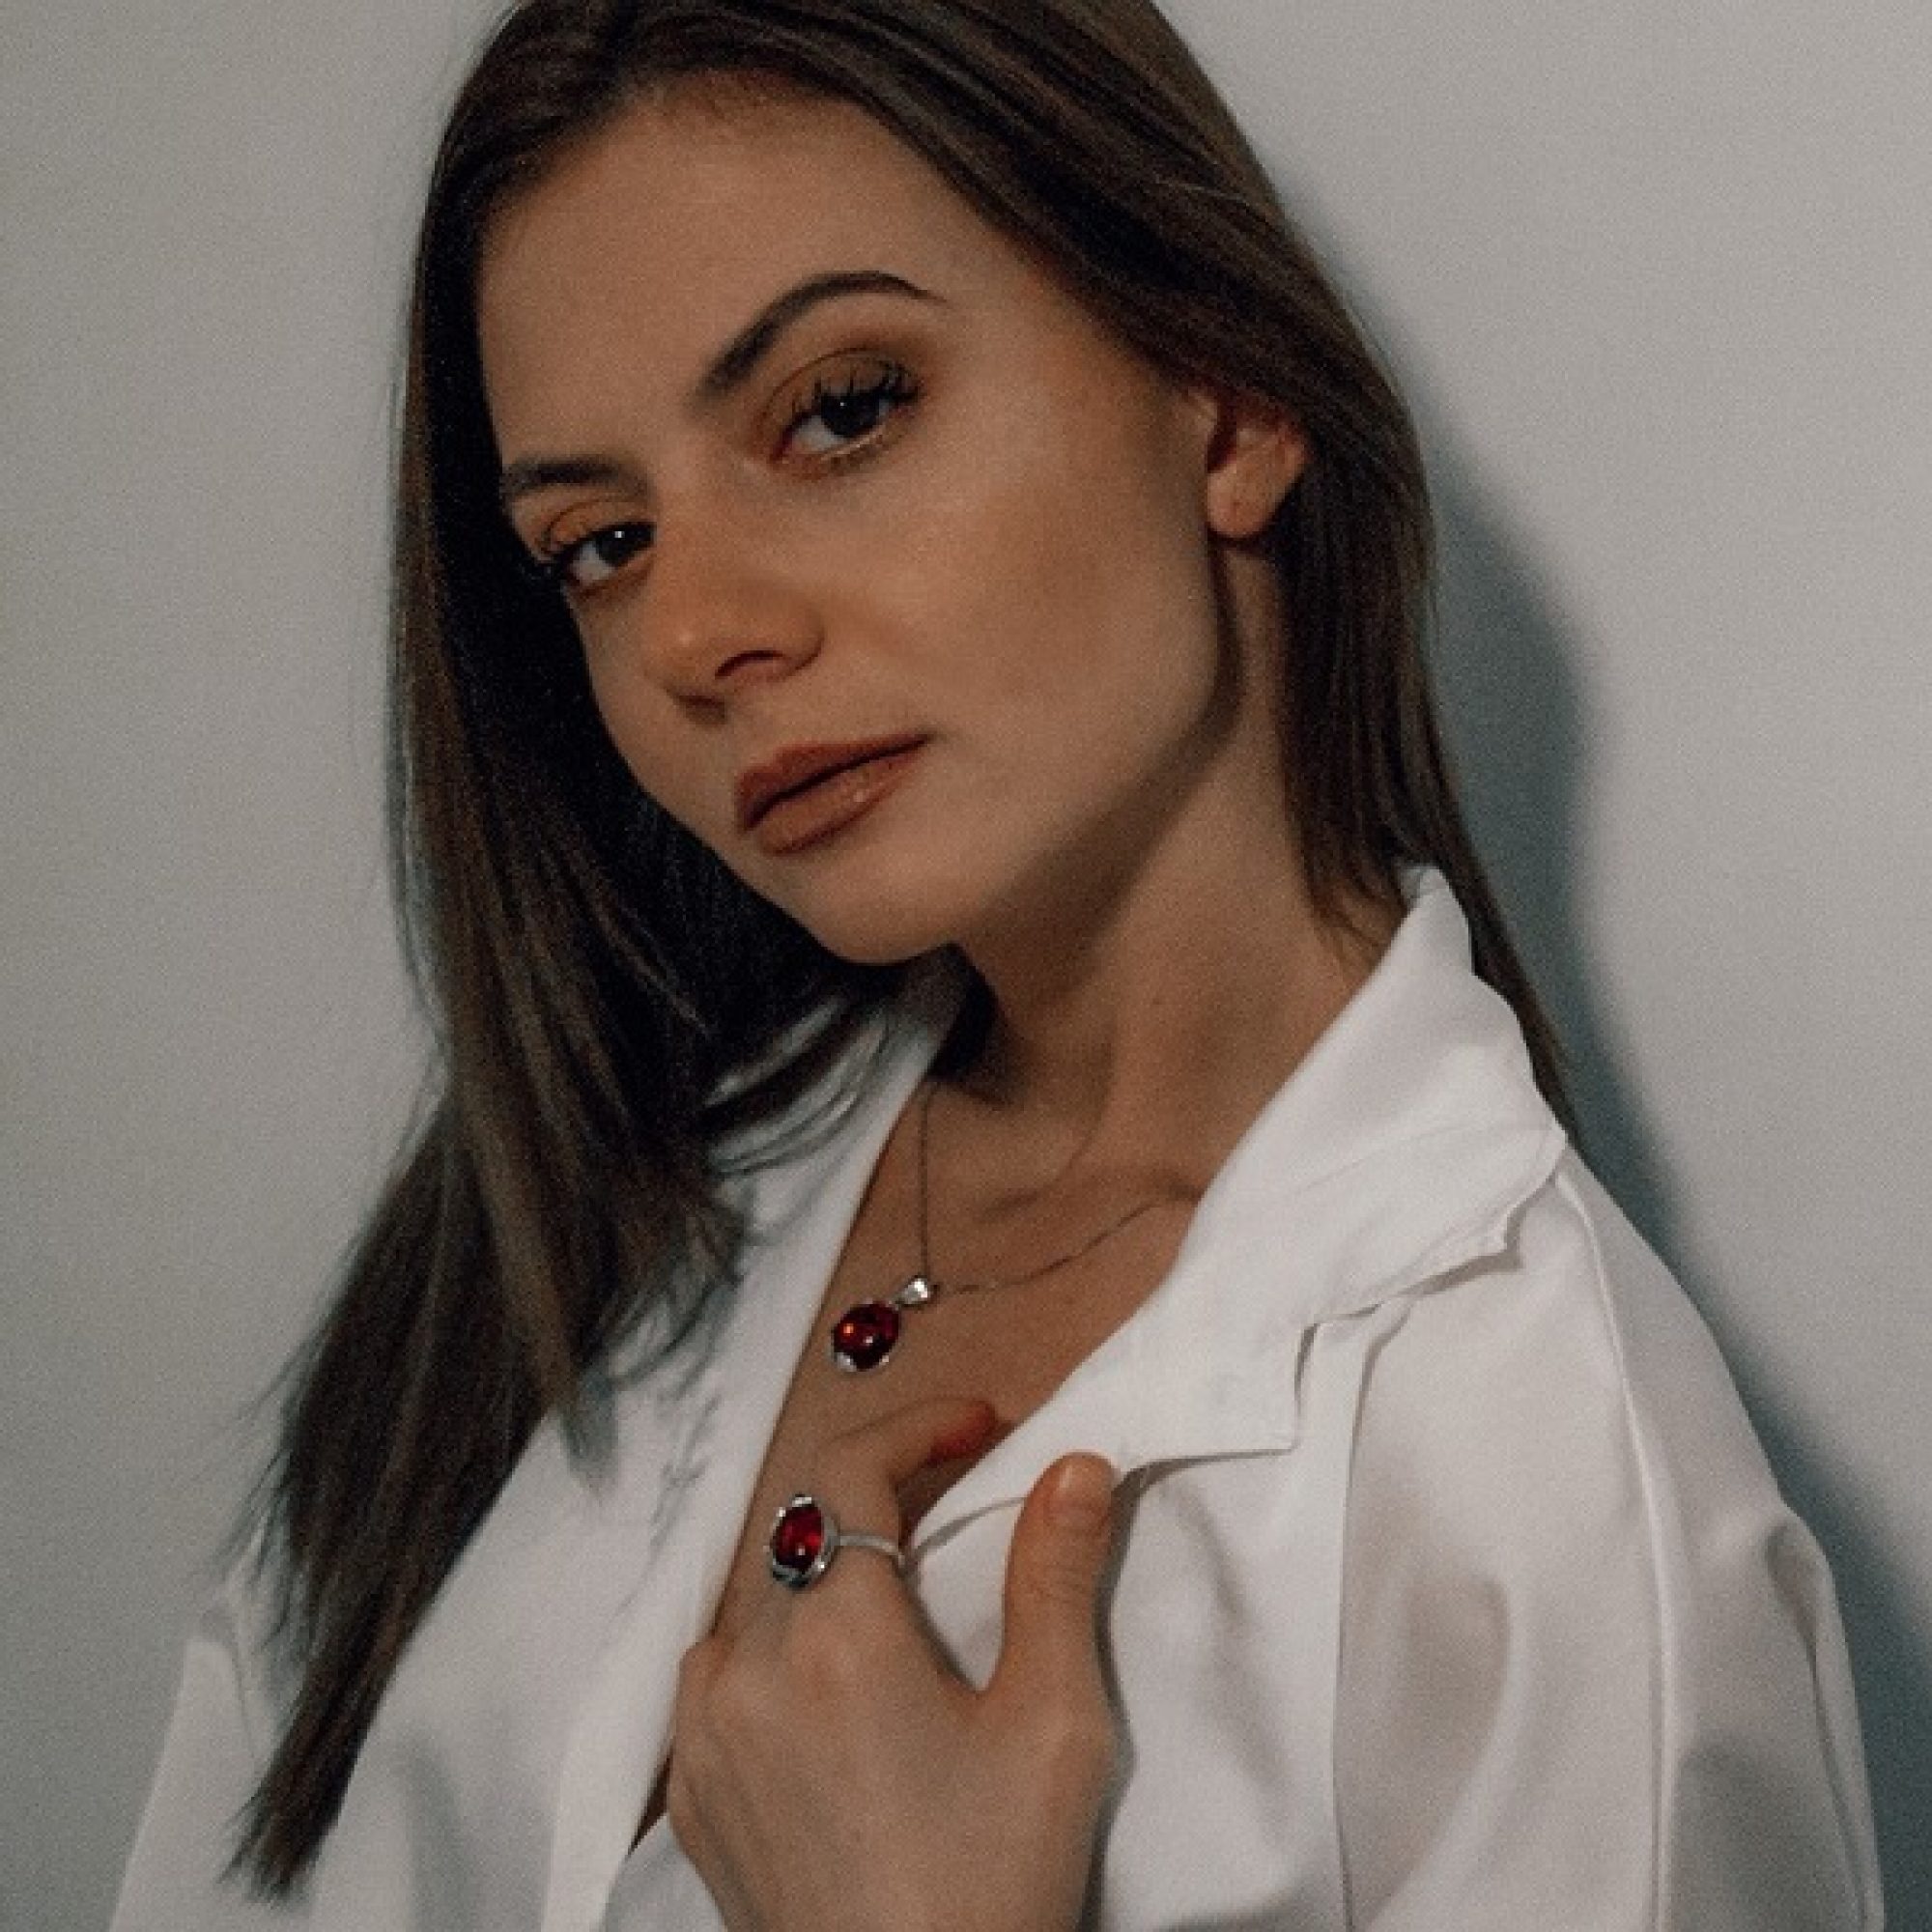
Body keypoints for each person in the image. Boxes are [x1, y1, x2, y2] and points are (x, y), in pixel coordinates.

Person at [112, 1, 1883, 1926]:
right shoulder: (577, 1204)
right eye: (602, 542)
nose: (693, 632)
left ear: (1224, 396)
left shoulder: (1538, 1495)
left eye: (842, 410)